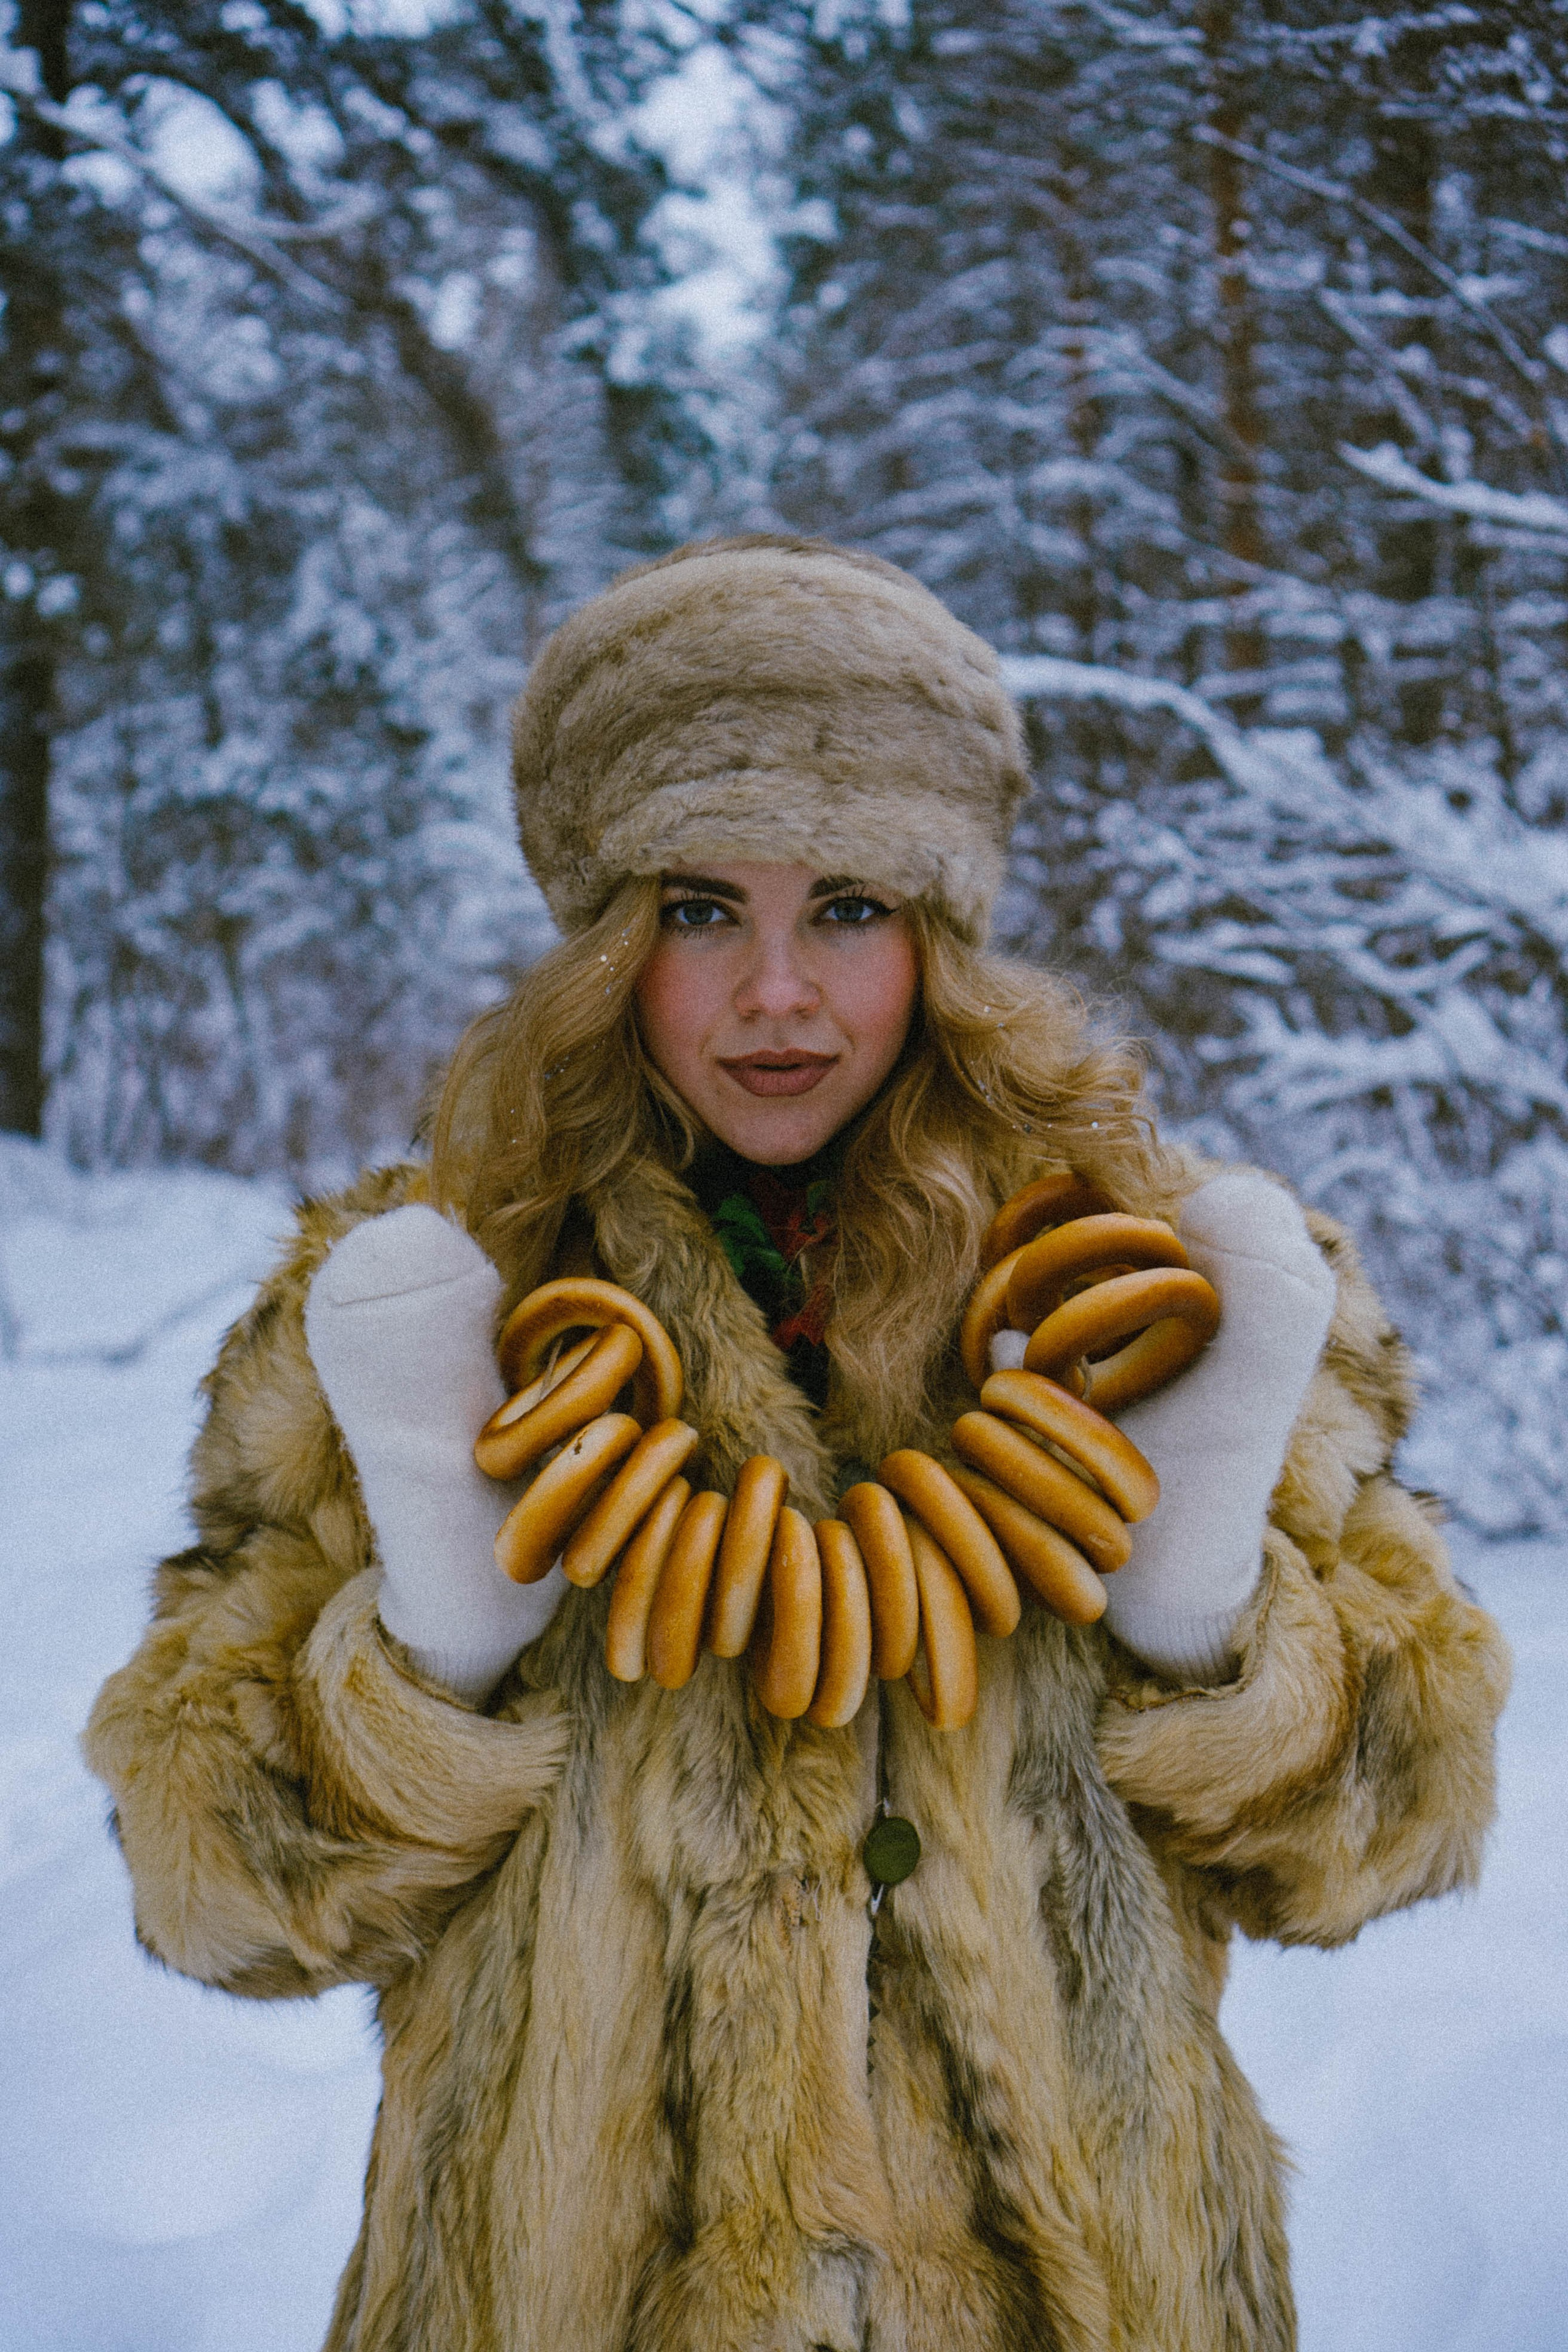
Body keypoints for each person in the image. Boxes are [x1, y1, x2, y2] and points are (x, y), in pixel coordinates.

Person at [85, 536, 1510, 2352]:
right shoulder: (415, 1309)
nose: (776, 992)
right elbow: (214, 1885)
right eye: (700, 909)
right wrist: (439, 1618)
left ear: (939, 930)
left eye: (845, 905)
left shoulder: (1165, 1297)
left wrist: (1202, 1590)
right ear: (607, 937)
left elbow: (1390, 1823)